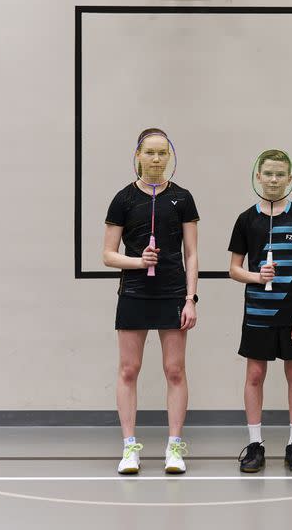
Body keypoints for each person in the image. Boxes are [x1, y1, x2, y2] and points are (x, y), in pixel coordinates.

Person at [103, 128, 199, 474]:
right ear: (138, 156)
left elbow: (192, 254)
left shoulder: (183, 198)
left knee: (175, 370)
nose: (156, 159)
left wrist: (190, 298)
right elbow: (108, 255)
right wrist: (139, 262)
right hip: (134, 294)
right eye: (150, 153)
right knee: (129, 370)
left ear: (169, 157)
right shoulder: (123, 199)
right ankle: (130, 448)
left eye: (162, 153)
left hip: (172, 293)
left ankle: (175, 447)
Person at [228, 149, 292, 473]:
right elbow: (234, 269)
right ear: (258, 177)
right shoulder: (246, 220)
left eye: (280, 174)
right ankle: (255, 445)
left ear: (290, 178)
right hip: (258, 315)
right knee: (254, 375)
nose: (274, 179)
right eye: (268, 173)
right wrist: (257, 277)